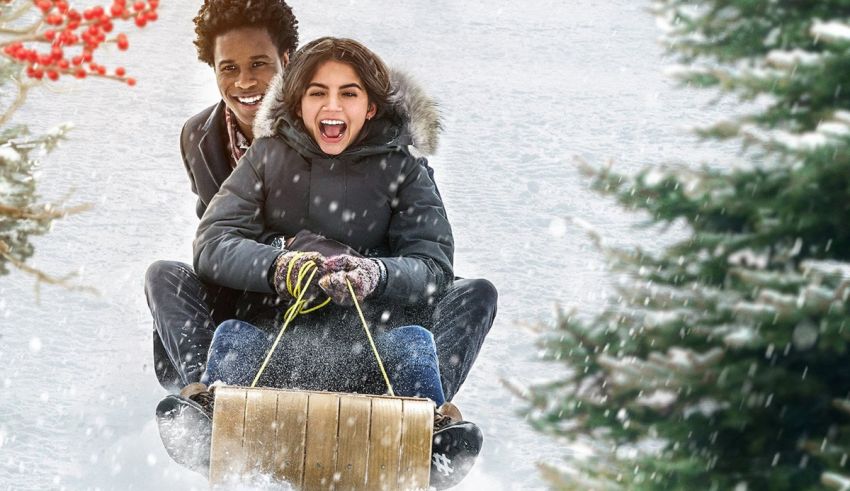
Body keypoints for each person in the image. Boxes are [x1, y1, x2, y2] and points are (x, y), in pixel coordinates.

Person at [157, 37, 485, 488]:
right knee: (193, 302)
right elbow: (214, 241)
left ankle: (432, 429)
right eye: (317, 92)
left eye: (348, 93)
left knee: (449, 315)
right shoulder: (269, 157)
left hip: (372, 348)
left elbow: (432, 264)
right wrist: (279, 266)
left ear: (369, 107)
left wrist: (377, 274)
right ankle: (205, 410)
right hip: (276, 341)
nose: (332, 105)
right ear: (299, 101)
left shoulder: (402, 167)